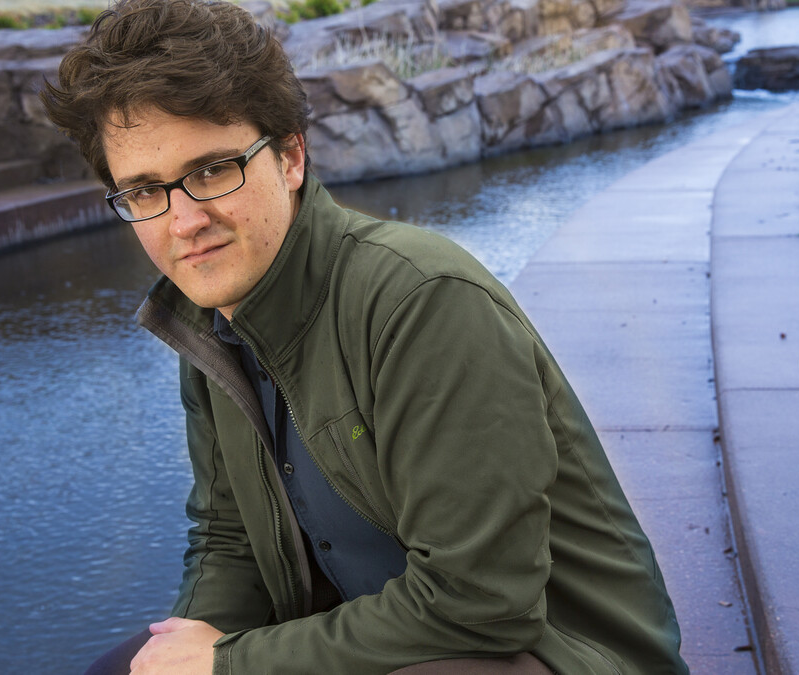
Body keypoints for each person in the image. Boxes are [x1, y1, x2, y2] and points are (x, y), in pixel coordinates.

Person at [42, 1, 686, 673]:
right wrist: (191, 644)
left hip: (544, 653)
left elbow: (483, 602)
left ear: (290, 154)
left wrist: (231, 662)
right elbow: (228, 534)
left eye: (212, 170)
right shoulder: (210, 314)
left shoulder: (421, 301)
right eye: (145, 191)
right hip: (386, 635)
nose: (184, 222)